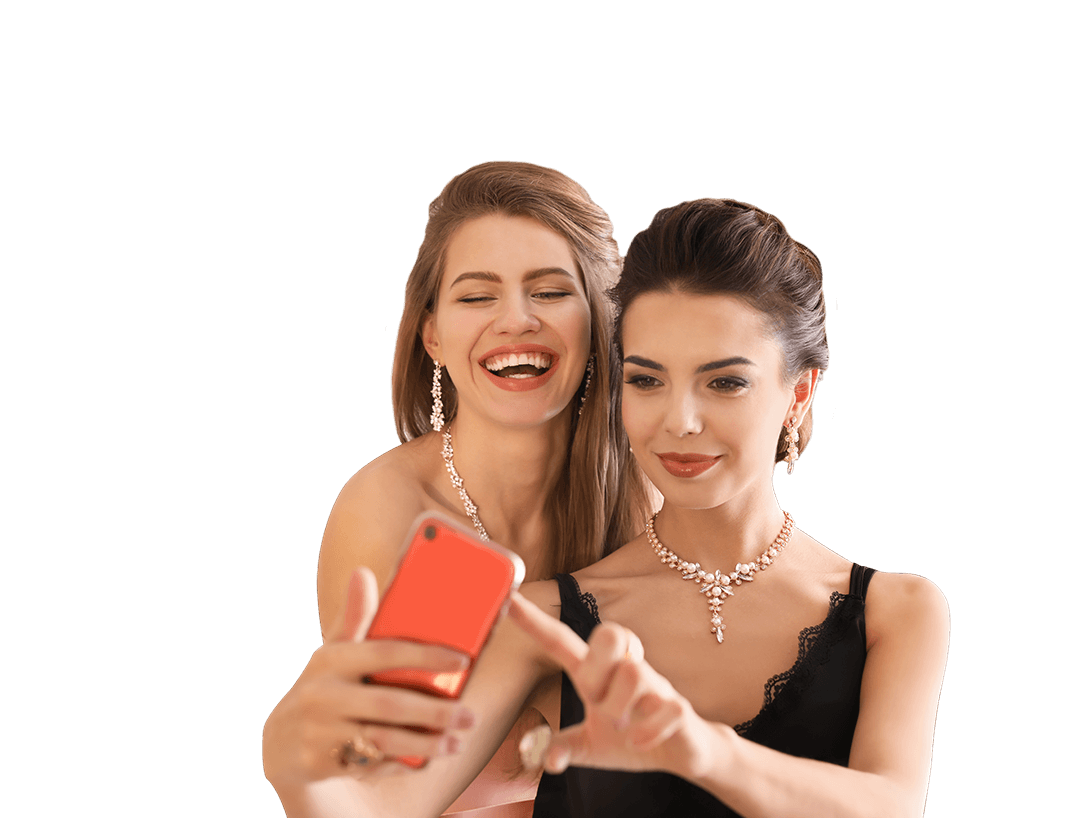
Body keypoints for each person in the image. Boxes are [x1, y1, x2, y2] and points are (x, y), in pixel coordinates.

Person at [303, 197, 950, 817]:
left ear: (798, 392)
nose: (681, 421)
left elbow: (892, 807)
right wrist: (296, 763)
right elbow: (371, 801)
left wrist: (703, 752)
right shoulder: (537, 618)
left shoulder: (901, 610)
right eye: (646, 380)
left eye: (725, 381)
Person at [261, 161, 653, 817]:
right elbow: (379, 779)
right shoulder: (391, 513)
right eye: (477, 297)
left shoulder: (650, 491)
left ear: (602, 323)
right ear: (433, 335)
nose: (516, 320)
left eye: (551, 292)